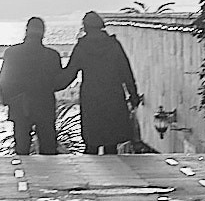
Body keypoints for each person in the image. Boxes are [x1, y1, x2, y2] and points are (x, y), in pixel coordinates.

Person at [60, 11, 143, 153]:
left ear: (85, 27)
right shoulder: (113, 45)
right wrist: (133, 95)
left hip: (91, 97)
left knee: (91, 143)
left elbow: (69, 74)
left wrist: (50, 85)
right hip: (113, 95)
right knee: (111, 143)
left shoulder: (82, 47)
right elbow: (126, 72)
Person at [0, 16, 67, 155]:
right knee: (48, 151)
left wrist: (8, 101)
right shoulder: (52, 55)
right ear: (43, 33)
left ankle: (22, 176)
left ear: (27, 31)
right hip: (44, 105)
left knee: (21, 150)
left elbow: (4, 80)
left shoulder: (12, 53)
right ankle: (49, 176)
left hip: (20, 105)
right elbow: (59, 83)